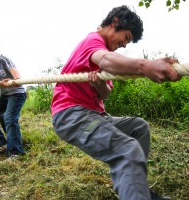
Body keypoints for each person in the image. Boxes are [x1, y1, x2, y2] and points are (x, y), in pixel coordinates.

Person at [51, 5, 180, 200]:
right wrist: (146, 65)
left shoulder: (103, 51)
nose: (125, 45)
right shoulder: (93, 41)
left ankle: (135, 187)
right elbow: (106, 59)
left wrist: (98, 84)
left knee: (140, 127)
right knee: (128, 150)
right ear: (115, 22)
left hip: (95, 114)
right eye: (126, 38)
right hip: (72, 114)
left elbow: (105, 94)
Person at [0, 38, 26, 159]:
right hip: (4, 95)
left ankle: (16, 152)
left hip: (16, 94)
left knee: (9, 118)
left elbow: (16, 74)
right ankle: (0, 143)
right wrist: (1, 82)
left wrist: (15, 80)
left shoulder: (4, 59)